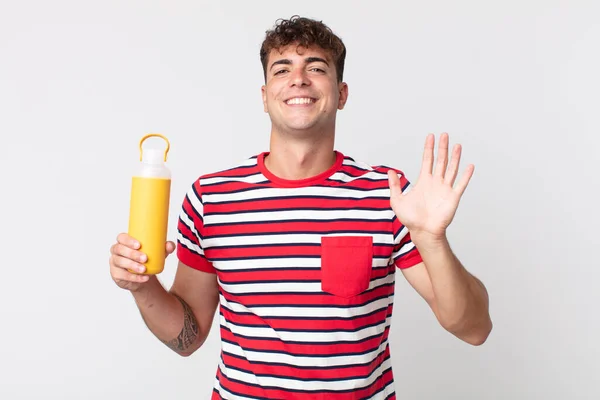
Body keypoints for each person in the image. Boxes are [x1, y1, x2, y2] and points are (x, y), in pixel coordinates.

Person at [109, 15, 492, 400]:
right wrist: (142, 287)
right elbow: (187, 339)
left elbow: (473, 328)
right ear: (264, 95)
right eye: (282, 69)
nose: (299, 79)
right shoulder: (211, 198)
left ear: (341, 94)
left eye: (316, 67)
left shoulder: (389, 195)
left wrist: (432, 239)